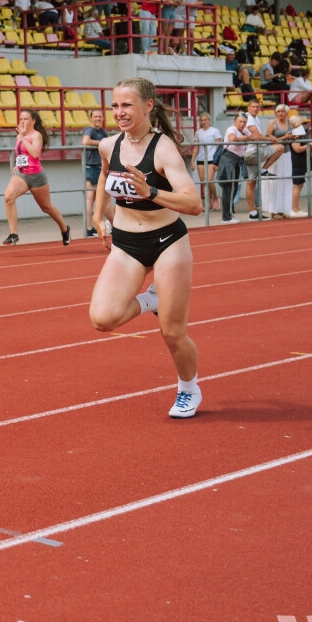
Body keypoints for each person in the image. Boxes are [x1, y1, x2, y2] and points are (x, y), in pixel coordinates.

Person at [88, 78, 205, 419]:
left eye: (126, 105)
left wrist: (151, 193)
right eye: (115, 106)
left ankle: (188, 389)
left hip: (167, 241)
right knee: (102, 319)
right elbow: (104, 176)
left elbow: (194, 204)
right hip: (126, 244)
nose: (119, 112)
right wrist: (97, 213)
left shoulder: (164, 148)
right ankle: (150, 300)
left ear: (147, 106)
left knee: (172, 331)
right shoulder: (108, 145)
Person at [1, 110, 71, 246]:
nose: (22, 121)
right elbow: (22, 154)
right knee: (8, 197)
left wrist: (22, 138)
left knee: (46, 207)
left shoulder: (36, 135)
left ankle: (64, 228)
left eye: (26, 119)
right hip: (22, 174)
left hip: (36, 177)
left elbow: (34, 154)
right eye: (21, 119)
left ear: (33, 121)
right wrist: (17, 164)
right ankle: (13, 233)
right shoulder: (20, 136)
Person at [216, 114, 248, 224]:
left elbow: (253, 137)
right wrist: (242, 139)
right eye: (240, 121)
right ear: (235, 121)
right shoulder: (231, 129)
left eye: (244, 122)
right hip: (229, 160)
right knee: (228, 188)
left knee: (233, 188)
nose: (242, 124)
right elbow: (232, 138)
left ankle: (229, 214)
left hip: (237, 160)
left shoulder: (245, 131)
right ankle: (226, 216)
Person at [81, 108, 109, 236]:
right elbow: (85, 141)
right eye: (95, 117)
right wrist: (101, 143)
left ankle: (91, 227)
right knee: (93, 198)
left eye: (100, 117)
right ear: (91, 118)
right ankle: (91, 227)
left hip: (99, 166)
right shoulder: (90, 130)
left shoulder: (101, 131)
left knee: (94, 198)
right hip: (92, 167)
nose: (98, 119)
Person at [192, 112, 222, 212]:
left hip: (211, 158)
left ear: (209, 120)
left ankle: (216, 198)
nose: (204, 122)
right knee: (203, 182)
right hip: (201, 159)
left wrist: (218, 162)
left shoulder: (215, 131)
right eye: (202, 120)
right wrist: (192, 161)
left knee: (209, 180)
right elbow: (196, 147)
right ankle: (207, 203)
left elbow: (219, 147)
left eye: (205, 120)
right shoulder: (198, 132)